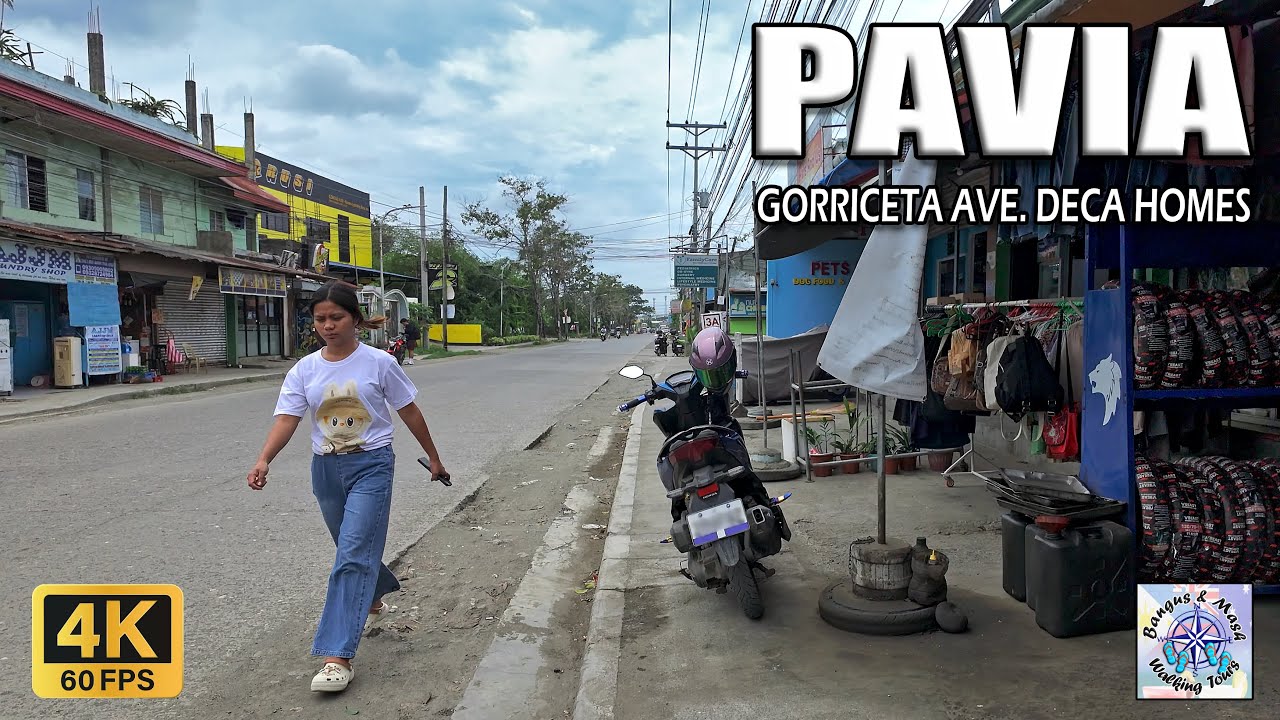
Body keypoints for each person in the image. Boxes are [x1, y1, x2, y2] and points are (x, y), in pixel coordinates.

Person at [247, 280, 449, 693]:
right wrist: (264, 458)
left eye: (336, 317)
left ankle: (337, 655)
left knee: (353, 553)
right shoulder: (305, 369)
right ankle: (374, 590)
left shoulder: (378, 363)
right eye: (320, 319)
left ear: (354, 319)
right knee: (349, 547)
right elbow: (287, 418)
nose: (327, 325)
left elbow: (409, 411)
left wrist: (434, 457)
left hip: (371, 466)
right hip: (326, 470)